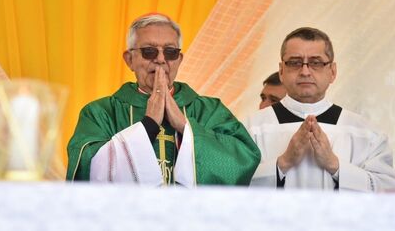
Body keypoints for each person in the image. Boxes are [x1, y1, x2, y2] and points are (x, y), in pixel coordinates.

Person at [66, 13, 260, 186]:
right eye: (149, 51)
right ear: (129, 59)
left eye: (170, 52)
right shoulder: (101, 112)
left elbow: (244, 158)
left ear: (179, 60)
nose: (160, 59)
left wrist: (186, 127)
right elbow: (86, 168)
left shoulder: (210, 110)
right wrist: (148, 125)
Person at [247, 27, 395, 191]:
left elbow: (394, 192)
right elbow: (228, 187)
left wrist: (334, 165)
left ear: (332, 71)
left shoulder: (366, 134)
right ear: (281, 71)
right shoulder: (250, 130)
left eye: (316, 63)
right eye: (295, 62)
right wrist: (284, 162)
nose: (304, 71)